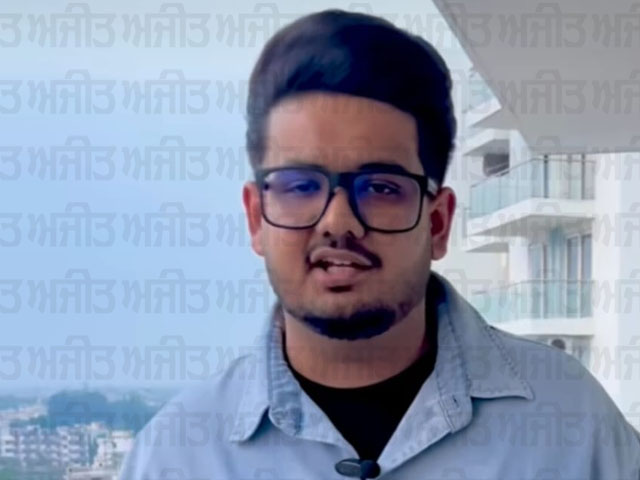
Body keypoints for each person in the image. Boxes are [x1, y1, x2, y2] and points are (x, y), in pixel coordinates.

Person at [118, 9, 640, 479]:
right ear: (257, 217)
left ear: (438, 223)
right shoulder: (174, 456)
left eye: (382, 187)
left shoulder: (573, 424)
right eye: (300, 185)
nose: (338, 221)